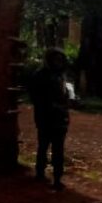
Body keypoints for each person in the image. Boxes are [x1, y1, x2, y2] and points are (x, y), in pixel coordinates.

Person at [29, 48, 71, 191]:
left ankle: (57, 178)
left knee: (58, 149)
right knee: (44, 146)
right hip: (46, 118)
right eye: (55, 60)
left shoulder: (61, 77)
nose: (58, 63)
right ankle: (40, 172)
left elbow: (65, 96)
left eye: (60, 60)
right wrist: (54, 107)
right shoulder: (40, 76)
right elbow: (37, 98)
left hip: (59, 118)